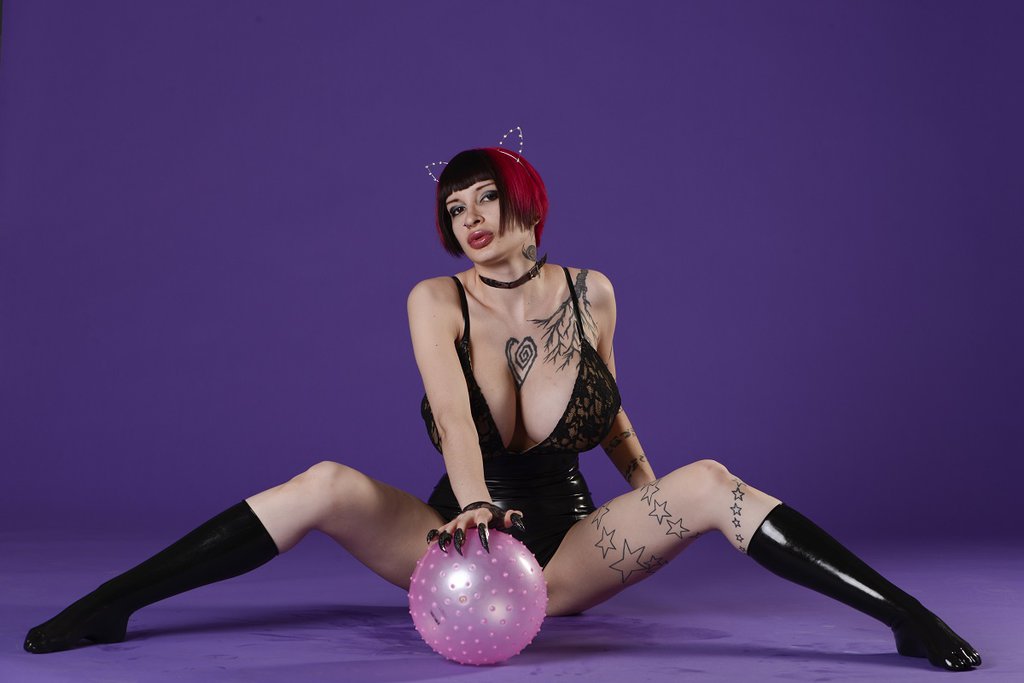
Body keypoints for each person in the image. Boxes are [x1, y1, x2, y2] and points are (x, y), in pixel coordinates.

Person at [24, 146, 980, 672]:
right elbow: (452, 411)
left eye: (487, 200)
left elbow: (610, 412)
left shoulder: (593, 292)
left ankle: (903, 617)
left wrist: (654, 500)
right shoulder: (434, 299)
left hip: (568, 548)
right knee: (324, 482)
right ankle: (108, 609)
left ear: (529, 204)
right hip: (461, 532)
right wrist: (476, 507)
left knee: (712, 482)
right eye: (456, 209)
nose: (472, 219)